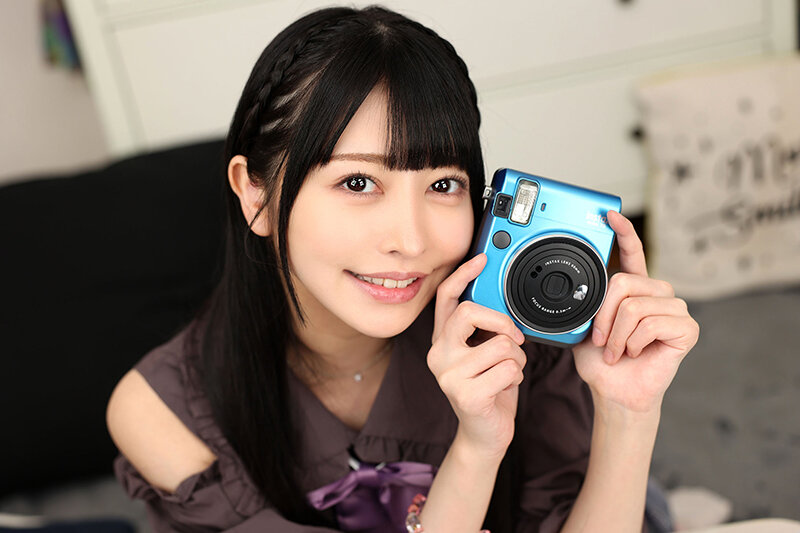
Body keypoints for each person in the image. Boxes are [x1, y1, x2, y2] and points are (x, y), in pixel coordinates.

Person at [106, 5, 699, 533]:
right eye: (357, 182)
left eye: (443, 185)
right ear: (255, 195)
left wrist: (629, 413)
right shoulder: (163, 411)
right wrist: (475, 452)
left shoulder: (520, 338)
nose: (411, 242)